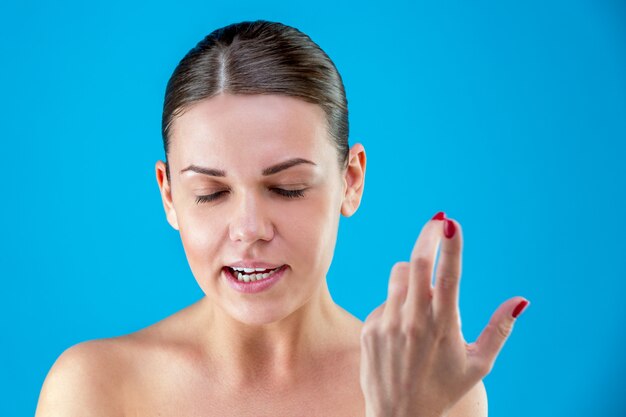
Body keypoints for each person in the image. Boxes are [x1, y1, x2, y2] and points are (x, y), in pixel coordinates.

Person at [35, 19, 529, 417]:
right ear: (168, 195)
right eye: (210, 193)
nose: (249, 229)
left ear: (351, 180)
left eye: (286, 188)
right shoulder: (95, 388)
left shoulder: (431, 389)